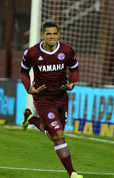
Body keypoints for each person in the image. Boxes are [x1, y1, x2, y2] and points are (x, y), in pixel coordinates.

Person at [20, 22, 83, 178]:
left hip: (61, 98)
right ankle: (72, 173)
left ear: (59, 35)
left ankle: (30, 118)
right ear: (42, 35)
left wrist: (72, 83)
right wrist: (29, 87)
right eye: (48, 34)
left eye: (54, 33)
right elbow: (23, 72)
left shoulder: (67, 50)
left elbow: (74, 68)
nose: (52, 37)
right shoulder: (32, 53)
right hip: (43, 99)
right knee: (59, 133)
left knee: (52, 135)